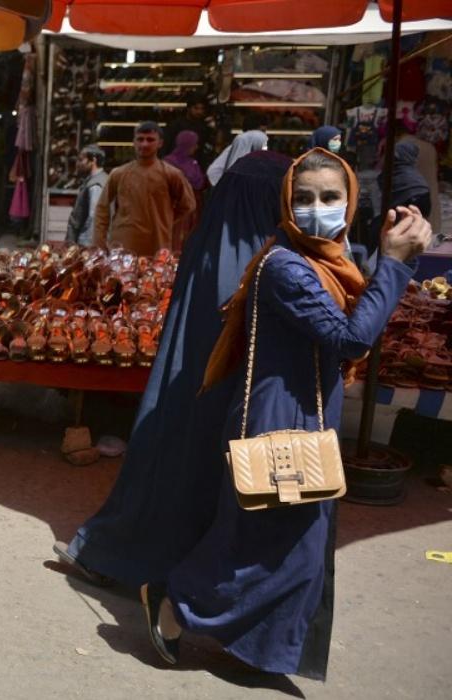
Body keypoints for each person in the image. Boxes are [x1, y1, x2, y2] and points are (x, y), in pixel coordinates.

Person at [141, 149, 431, 678]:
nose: (316, 208)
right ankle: (176, 601)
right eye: (303, 199)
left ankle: (257, 648)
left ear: (351, 201)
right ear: (284, 204)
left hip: (308, 412)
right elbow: (351, 339)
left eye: (330, 197)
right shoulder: (285, 267)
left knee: (291, 548)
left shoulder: (334, 261)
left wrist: (392, 261)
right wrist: (393, 264)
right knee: (270, 546)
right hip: (278, 417)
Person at [56, 150, 294, 588]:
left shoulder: (211, 243)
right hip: (234, 399)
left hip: (186, 389)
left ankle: (119, 555)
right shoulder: (272, 260)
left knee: (169, 472)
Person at [94, 122, 196, 256]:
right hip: (122, 249)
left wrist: (165, 219)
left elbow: (188, 205)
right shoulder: (118, 173)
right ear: (134, 142)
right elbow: (102, 208)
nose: (144, 144)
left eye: (150, 140)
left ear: (160, 143)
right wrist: (99, 242)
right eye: (140, 139)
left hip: (157, 248)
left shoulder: (171, 174)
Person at [163, 130, 207, 250]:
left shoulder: (192, 162)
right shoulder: (168, 163)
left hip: (191, 211)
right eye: (194, 144)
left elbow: (200, 182)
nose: (196, 147)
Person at [65, 145, 108, 246]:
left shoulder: (96, 184)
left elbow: (93, 218)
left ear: (93, 161)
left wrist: (84, 245)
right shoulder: (94, 180)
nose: (77, 164)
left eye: (81, 160)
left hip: (87, 246)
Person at [163, 95, 217, 170]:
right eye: (196, 108)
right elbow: (166, 145)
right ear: (188, 108)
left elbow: (202, 150)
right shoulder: (175, 125)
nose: (199, 112)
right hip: (174, 165)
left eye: (202, 109)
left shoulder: (203, 128)